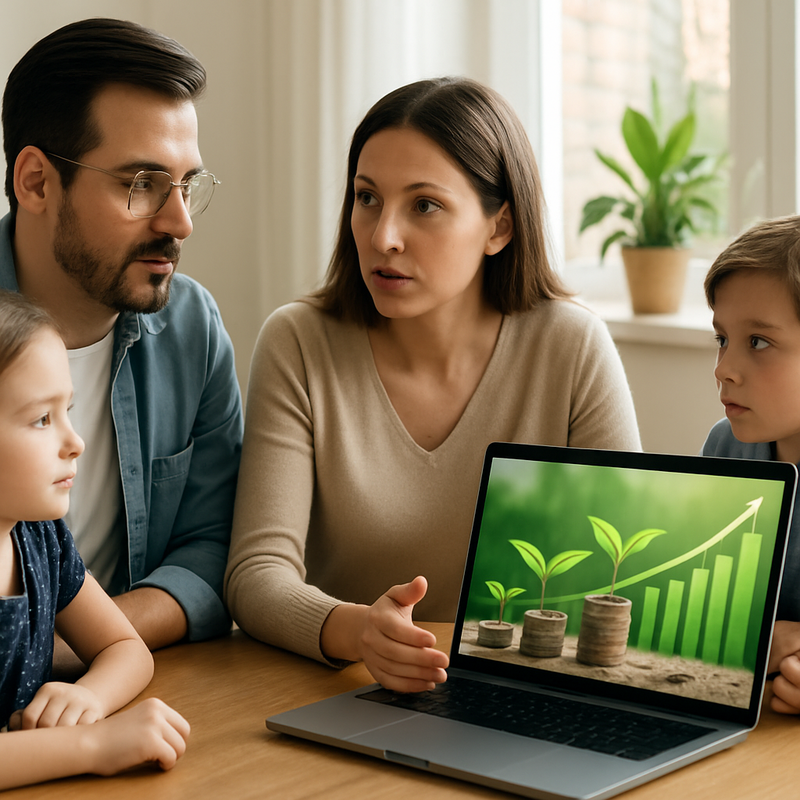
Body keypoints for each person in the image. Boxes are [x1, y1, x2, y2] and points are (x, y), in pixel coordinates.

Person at [224, 77, 641, 692]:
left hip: (523, 690)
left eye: (424, 205)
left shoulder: (572, 346)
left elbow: (625, 574)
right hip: (347, 692)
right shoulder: (300, 342)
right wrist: (358, 631)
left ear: (499, 227)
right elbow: (256, 574)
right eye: (367, 198)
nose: (382, 236)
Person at [1, 18, 243, 658]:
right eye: (141, 184)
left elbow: (214, 546)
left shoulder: (192, 327)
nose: (180, 222)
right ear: (36, 181)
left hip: (124, 685)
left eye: (186, 185)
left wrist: (82, 647)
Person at [0, 290, 190, 789]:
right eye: (42, 419)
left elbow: (126, 648)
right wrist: (90, 745)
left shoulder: (41, 538)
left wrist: (89, 697)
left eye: (68, 409)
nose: (75, 442)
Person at [700, 215, 800, 715]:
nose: (724, 369)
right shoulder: (725, 448)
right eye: (722, 339)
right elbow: (704, 611)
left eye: (758, 341)